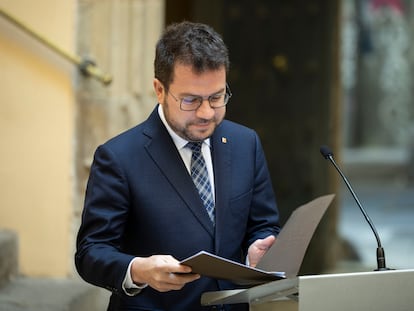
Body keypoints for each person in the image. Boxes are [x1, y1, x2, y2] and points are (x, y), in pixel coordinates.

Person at [75, 21, 280, 311]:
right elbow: (90, 253)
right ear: (159, 90)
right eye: (190, 100)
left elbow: (263, 225)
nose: (206, 112)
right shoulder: (118, 158)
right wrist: (138, 270)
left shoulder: (246, 143)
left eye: (216, 97)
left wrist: (257, 253)